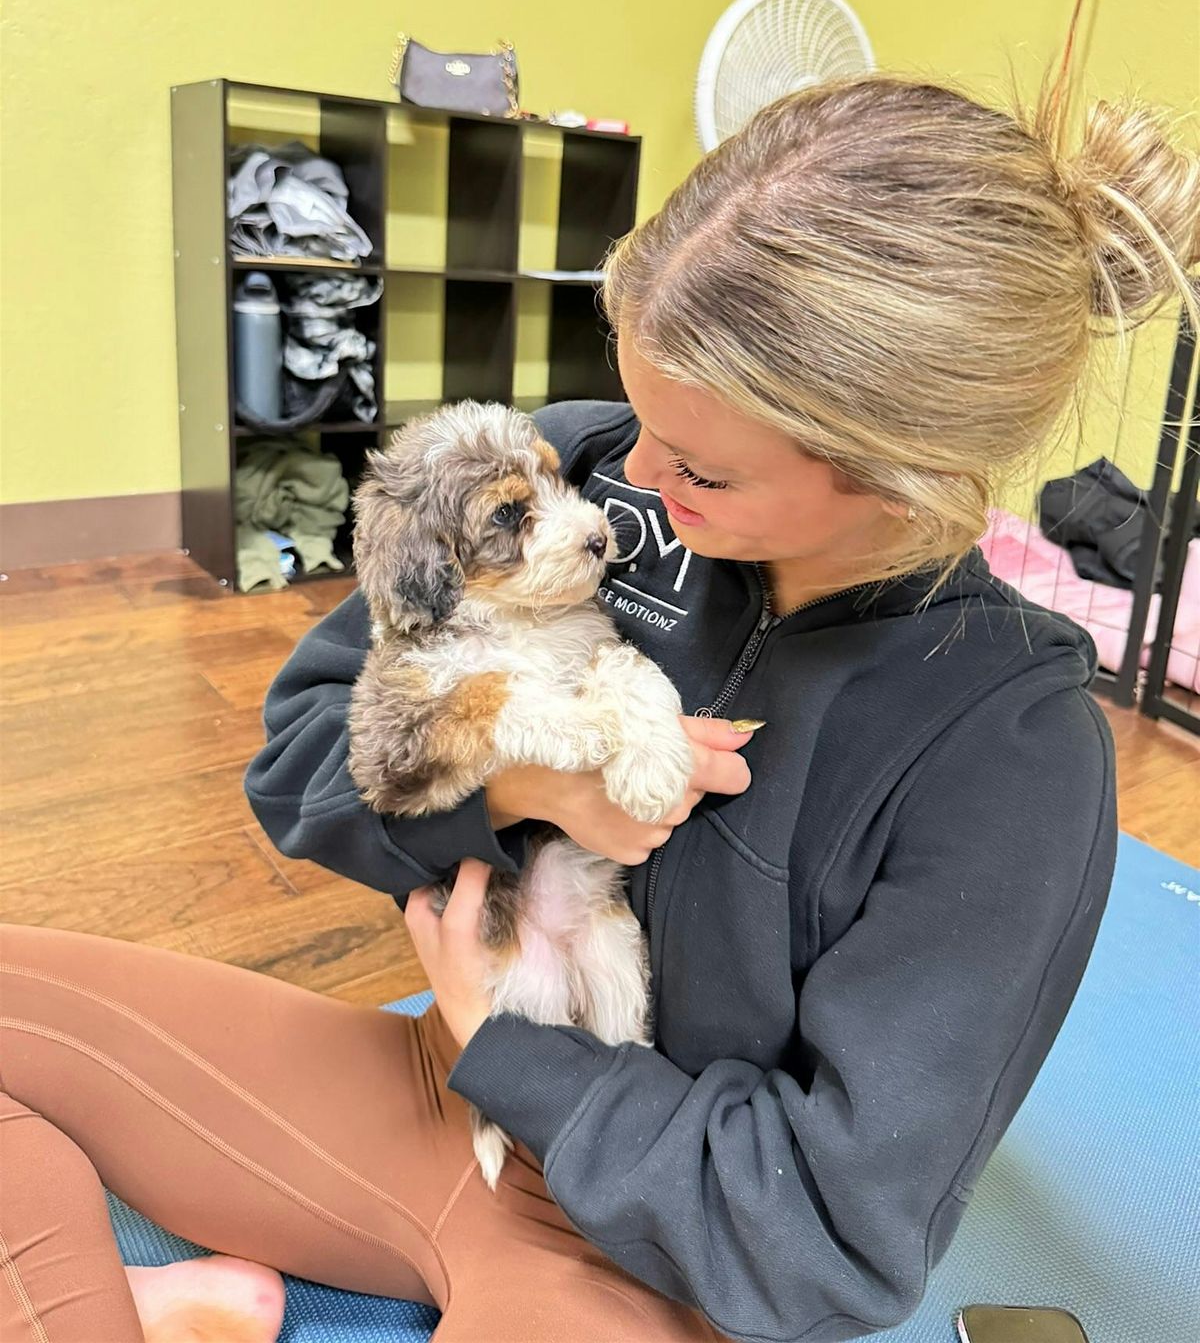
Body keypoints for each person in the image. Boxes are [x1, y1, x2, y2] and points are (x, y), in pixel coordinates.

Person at [2, 76, 1197, 1343]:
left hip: (648, 1240)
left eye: (699, 466)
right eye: (638, 417)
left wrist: (513, 1049)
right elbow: (299, 760)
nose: (626, 481)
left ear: (898, 473)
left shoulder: (1006, 750)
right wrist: (517, 786)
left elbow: (828, 1242)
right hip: (432, 1094)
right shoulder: (571, 471)